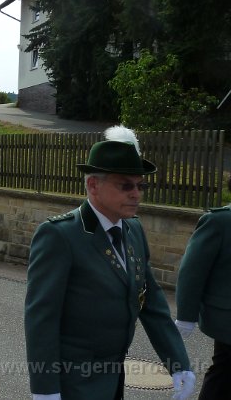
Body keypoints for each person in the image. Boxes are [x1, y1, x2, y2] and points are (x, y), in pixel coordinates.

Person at [25, 125, 195, 400]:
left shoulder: (133, 230)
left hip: (114, 375)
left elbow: (150, 301)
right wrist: (45, 390)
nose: (136, 194)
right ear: (93, 185)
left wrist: (178, 363)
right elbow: (41, 319)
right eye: (125, 185)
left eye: (140, 185)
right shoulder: (60, 235)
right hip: (73, 381)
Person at [175, 203, 231, 399]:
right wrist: (186, 316)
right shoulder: (220, 221)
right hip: (227, 318)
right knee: (224, 372)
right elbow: (193, 270)